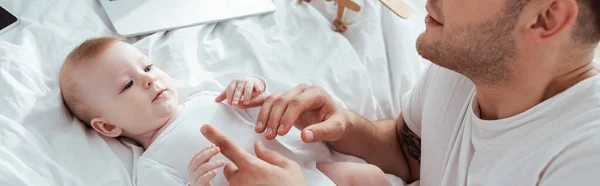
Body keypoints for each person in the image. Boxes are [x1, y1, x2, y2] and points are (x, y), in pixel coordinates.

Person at [197, 0, 600, 185]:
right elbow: (412, 153)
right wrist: (343, 125)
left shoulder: (582, 161)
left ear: (546, 17)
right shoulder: (462, 68)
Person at [58, 37, 391, 186]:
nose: (147, 80)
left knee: (370, 177)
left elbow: (258, 106)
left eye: (147, 66)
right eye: (127, 85)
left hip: (310, 170)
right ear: (107, 126)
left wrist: (251, 86)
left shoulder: (207, 98)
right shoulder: (152, 164)